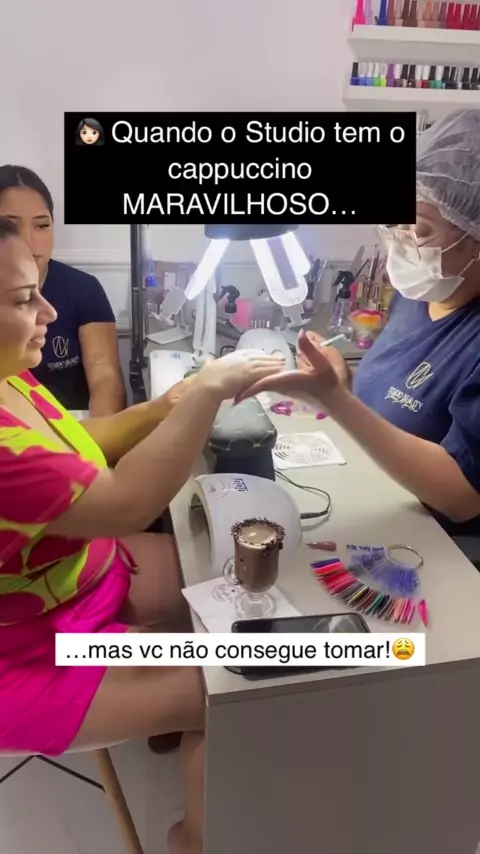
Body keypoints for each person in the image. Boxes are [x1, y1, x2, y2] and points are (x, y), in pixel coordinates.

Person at [0, 217, 284, 854]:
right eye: (23, 300)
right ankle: (193, 840)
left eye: (38, 287)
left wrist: (166, 406)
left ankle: (159, 712)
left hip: (85, 579)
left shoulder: (10, 375)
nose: (48, 311)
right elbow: (127, 502)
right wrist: (209, 391)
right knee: (234, 692)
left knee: (226, 580)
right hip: (33, 653)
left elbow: (78, 444)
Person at [239, 110, 480, 545]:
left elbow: (462, 495)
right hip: (371, 492)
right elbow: (393, 406)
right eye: (396, 222)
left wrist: (334, 400)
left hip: (433, 546)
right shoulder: (420, 293)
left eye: (419, 230)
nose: (401, 239)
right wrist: (340, 385)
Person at [0, 164, 126, 415]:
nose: (29, 240)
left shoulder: (83, 289)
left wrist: (95, 437)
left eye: (42, 225)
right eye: (10, 226)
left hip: (77, 424)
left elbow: (106, 379)